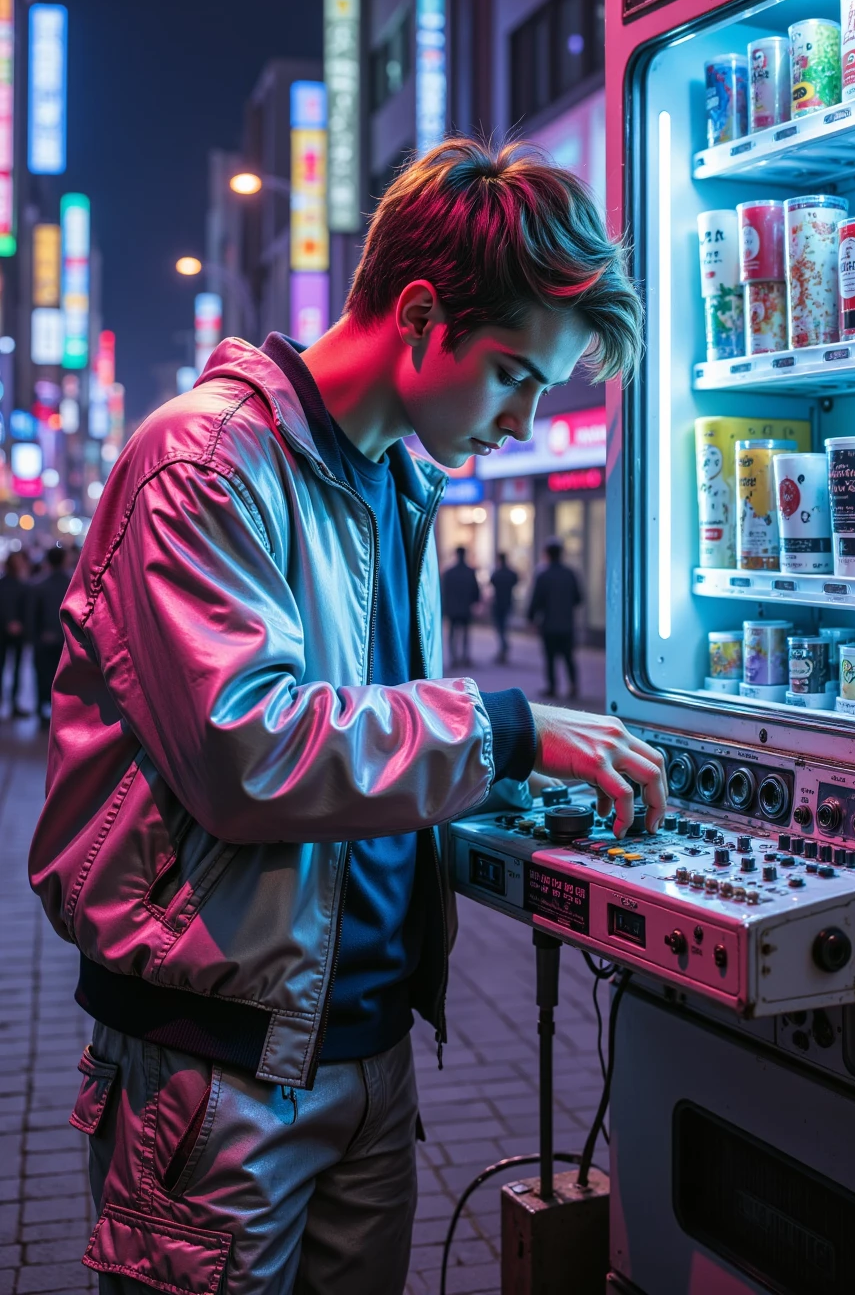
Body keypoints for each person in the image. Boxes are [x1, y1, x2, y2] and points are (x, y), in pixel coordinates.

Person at [28, 136, 666, 1295]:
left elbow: (373, 732)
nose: (522, 422)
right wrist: (509, 730)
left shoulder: (398, 479)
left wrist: (523, 790)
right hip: (214, 1073)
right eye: (517, 374)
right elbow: (250, 750)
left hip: (370, 1053)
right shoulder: (204, 463)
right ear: (420, 315)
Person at [529, 539, 583, 699]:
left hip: (549, 624)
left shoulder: (543, 575)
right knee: (569, 656)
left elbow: (536, 600)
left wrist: (531, 618)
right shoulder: (570, 574)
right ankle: (573, 686)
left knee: (550, 657)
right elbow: (579, 598)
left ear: (547, 555)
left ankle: (552, 687)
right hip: (567, 623)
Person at [30, 546, 71, 719]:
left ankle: (41, 710)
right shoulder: (70, 583)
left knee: (42, 675)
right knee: (63, 678)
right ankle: (61, 712)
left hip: (43, 638)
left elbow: (33, 615)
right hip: (65, 639)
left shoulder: (38, 584)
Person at [0, 548, 30, 718]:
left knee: (7, 667)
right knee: (15, 668)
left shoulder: (4, 584)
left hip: (4, 632)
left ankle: (11, 703)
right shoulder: (22, 585)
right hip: (13, 633)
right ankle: (13, 704)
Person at [440, 545, 480, 666]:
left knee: (452, 634)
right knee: (465, 633)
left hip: (452, 608)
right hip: (465, 608)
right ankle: (465, 656)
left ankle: (454, 658)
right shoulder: (470, 571)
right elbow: (476, 591)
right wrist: (474, 602)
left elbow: (444, 592)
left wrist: (444, 608)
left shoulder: (449, 572)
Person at [490, 551, 519, 663]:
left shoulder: (497, 573)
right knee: (504, 627)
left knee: (500, 628)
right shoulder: (511, 573)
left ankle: (503, 647)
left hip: (498, 604)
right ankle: (504, 647)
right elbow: (516, 581)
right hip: (508, 603)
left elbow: (491, 582)